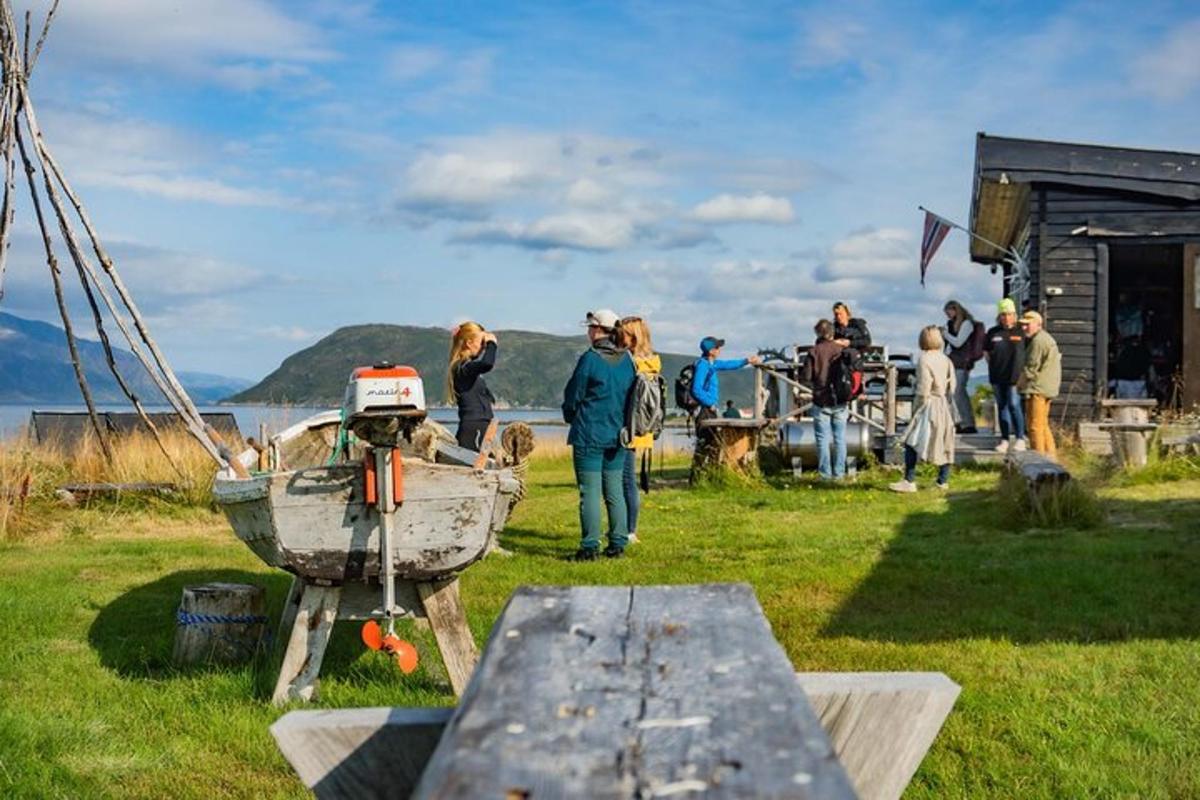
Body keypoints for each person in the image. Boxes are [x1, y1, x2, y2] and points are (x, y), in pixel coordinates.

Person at [562, 309, 637, 560]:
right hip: (619, 435)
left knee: (590, 492)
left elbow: (573, 396)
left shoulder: (590, 359)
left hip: (589, 434)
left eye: (589, 327)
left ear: (596, 329)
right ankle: (617, 544)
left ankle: (590, 547)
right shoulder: (628, 360)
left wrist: (570, 416)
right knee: (614, 490)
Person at [890, 325, 956, 492]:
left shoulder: (924, 359)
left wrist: (917, 408)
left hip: (929, 403)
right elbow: (952, 385)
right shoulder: (946, 359)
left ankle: (909, 480)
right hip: (943, 403)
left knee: (912, 440)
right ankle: (942, 480)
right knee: (944, 440)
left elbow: (924, 388)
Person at [616, 316, 661, 546]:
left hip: (628, 427)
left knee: (625, 480)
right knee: (628, 479)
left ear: (631, 336)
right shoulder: (652, 361)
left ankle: (629, 530)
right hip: (642, 429)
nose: (617, 337)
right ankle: (628, 528)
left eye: (621, 334)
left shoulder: (630, 362)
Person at [802, 319, 848, 480]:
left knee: (822, 439)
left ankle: (825, 474)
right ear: (832, 332)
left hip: (821, 398)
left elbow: (806, 377)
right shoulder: (840, 350)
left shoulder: (813, 351)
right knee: (840, 438)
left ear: (817, 333)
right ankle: (840, 473)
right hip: (840, 399)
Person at [984, 298, 1027, 453]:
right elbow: (986, 352)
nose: (1006, 317)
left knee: (1014, 405)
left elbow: (1027, 353)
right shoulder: (992, 332)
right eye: (1003, 314)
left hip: (1015, 377)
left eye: (1009, 314)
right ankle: (1004, 439)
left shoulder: (1021, 332)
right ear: (999, 316)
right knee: (1002, 407)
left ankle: (1020, 438)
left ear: (1014, 315)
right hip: (997, 376)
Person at [446, 321, 498, 451]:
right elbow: (487, 364)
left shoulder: (467, 368)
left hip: (480, 428)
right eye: (481, 343)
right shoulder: (461, 367)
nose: (483, 348)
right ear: (469, 343)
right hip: (474, 430)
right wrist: (492, 344)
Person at [1018, 310, 1061, 458]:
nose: (1024, 328)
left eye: (1027, 325)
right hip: (1046, 388)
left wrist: (1018, 384)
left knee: (1034, 426)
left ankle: (1039, 460)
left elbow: (1031, 368)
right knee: (1043, 425)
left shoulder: (1038, 341)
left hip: (1037, 388)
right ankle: (1051, 457)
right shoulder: (1045, 339)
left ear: (1038, 324)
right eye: (1023, 325)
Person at [690, 336, 762, 417]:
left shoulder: (713, 363)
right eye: (717, 347)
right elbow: (696, 389)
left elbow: (729, 364)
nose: (719, 349)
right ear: (711, 351)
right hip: (705, 409)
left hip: (710, 408)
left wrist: (747, 361)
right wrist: (710, 404)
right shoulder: (703, 366)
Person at [942, 299, 984, 434]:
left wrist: (945, 334)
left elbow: (958, 342)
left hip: (962, 363)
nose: (948, 315)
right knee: (953, 394)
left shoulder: (966, 324)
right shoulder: (952, 324)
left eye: (949, 312)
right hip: (954, 362)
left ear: (955, 310)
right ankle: (959, 422)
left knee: (959, 392)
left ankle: (968, 423)